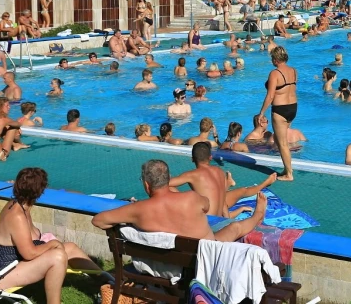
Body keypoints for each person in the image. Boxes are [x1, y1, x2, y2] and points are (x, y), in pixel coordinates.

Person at [0, 168, 106, 304]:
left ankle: (108, 281)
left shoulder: (20, 204)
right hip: (2, 275)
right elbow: (29, 254)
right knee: (57, 257)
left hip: (16, 264)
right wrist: (52, 244)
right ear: (40, 191)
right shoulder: (17, 215)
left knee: (70, 248)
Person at [92, 160, 268, 244]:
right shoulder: (191, 198)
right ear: (168, 180)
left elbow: (98, 220)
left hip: (165, 264)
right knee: (235, 227)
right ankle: (258, 215)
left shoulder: (137, 210)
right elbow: (206, 205)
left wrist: (130, 225)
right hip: (204, 255)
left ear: (146, 185)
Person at [170, 143, 277, 218]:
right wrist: (235, 213)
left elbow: (164, 183)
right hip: (219, 219)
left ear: (192, 159)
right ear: (210, 157)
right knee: (236, 192)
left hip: (206, 222)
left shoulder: (192, 175)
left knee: (169, 188)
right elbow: (224, 208)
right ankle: (228, 184)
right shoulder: (220, 171)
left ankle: (228, 184)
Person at [257, 46, 297, 181]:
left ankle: (289, 174)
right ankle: (287, 168)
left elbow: (270, 96)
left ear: (275, 59)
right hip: (293, 108)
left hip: (280, 109)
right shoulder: (294, 71)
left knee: (282, 143)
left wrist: (261, 113)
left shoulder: (274, 73)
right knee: (282, 141)